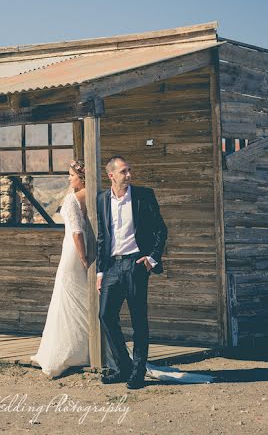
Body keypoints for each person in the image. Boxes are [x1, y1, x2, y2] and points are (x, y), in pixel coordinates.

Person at [96, 155, 168, 389]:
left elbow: (160, 230)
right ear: (112, 176)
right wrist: (99, 272)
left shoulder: (143, 196)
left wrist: (152, 258)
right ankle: (123, 367)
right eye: (124, 171)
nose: (129, 175)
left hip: (136, 264)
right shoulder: (102, 199)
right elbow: (102, 237)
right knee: (105, 316)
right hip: (112, 266)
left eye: (130, 170)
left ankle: (138, 371)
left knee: (138, 319)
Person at [30, 160, 91, 377]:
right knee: (82, 299)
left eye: (71, 175)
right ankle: (86, 349)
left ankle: (64, 353)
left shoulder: (72, 199)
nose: (68, 178)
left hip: (73, 253)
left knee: (67, 298)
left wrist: (83, 258)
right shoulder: (94, 197)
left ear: (81, 178)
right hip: (85, 250)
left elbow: (76, 232)